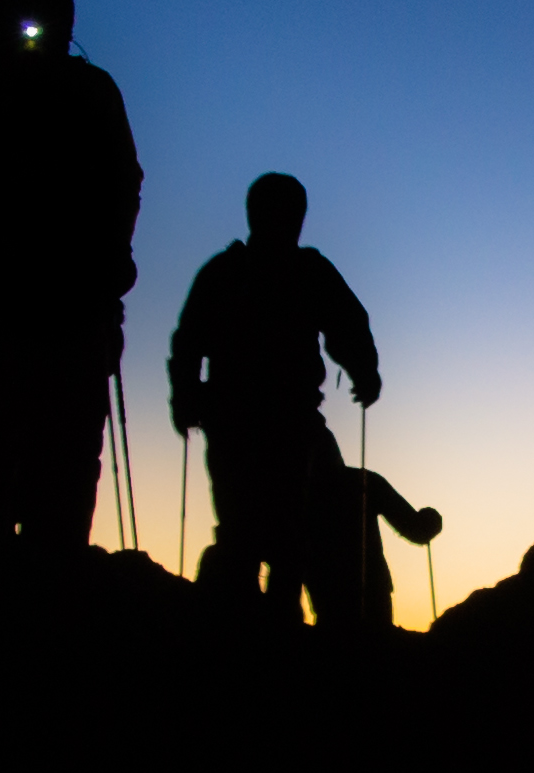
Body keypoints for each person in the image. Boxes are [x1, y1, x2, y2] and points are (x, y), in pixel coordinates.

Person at [167, 173, 437, 627]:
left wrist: (186, 398)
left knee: (245, 531)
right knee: (285, 534)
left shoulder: (226, 271)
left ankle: (248, 630)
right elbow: (349, 322)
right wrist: (364, 371)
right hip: (284, 422)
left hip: (237, 421)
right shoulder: (304, 270)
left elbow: (189, 341)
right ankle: (275, 630)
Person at [0, 0, 142, 550]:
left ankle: (43, 597)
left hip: (63, 307)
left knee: (59, 470)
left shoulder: (83, 92)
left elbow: (124, 182)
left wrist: (112, 260)